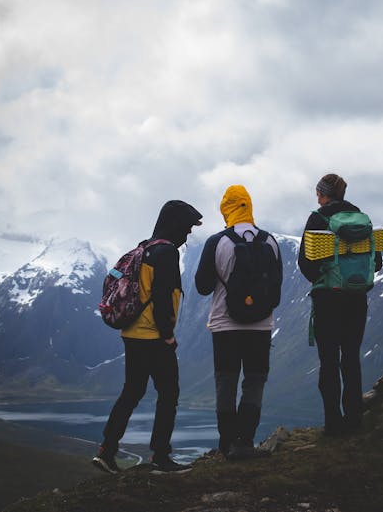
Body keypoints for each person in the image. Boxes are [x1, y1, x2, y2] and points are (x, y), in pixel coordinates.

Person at [92, 200, 203, 474]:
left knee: (132, 391)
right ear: (176, 224)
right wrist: (167, 335)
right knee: (169, 393)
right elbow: (164, 297)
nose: (188, 234)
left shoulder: (144, 248)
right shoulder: (167, 253)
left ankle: (107, 450)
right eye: (187, 227)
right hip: (154, 335)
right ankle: (161, 457)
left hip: (131, 333)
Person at [194, 185, 282, 459]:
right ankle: (245, 442)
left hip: (225, 325)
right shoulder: (270, 242)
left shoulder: (217, 242)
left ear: (226, 209)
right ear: (249, 206)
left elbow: (202, 286)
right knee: (254, 382)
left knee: (226, 383)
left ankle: (226, 444)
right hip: (261, 325)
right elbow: (277, 286)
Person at [297, 174, 382, 436]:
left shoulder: (318, 219)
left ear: (323, 194)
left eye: (317, 192)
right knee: (351, 359)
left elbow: (305, 262)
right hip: (357, 298)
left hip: (328, 300)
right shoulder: (362, 218)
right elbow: (375, 262)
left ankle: (333, 423)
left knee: (329, 361)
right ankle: (355, 419)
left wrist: (324, 278)